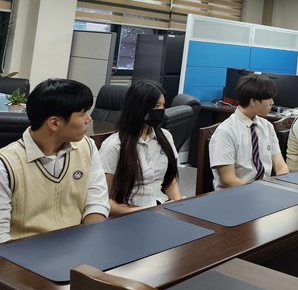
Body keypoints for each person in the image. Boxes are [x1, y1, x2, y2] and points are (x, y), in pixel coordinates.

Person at [0, 79, 109, 243]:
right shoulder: (6, 164)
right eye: (83, 113)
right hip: (25, 253)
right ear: (54, 123)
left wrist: (89, 244)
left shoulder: (87, 147)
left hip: (78, 245)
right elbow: (1, 236)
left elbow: (97, 202)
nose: (89, 118)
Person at [100, 80, 184, 215]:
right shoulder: (114, 145)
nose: (161, 111)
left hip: (161, 208)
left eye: (163, 105)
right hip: (130, 213)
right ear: (139, 107)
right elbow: (103, 200)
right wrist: (146, 212)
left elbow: (170, 180)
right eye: (157, 106)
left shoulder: (165, 137)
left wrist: (177, 201)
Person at [209, 74, 288, 189]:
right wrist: (259, 191)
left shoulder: (267, 126)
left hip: (264, 190)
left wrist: (283, 187)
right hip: (236, 193)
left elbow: (281, 167)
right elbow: (228, 180)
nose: (272, 102)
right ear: (253, 101)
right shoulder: (226, 131)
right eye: (269, 98)